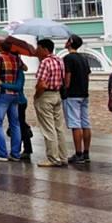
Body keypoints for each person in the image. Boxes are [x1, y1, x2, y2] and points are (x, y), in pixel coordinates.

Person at [33, 39, 68, 168]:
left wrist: (36, 96)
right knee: (59, 127)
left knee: (48, 128)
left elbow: (42, 83)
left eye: (38, 48)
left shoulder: (45, 62)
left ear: (44, 49)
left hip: (46, 95)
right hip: (57, 94)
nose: (37, 50)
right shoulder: (59, 60)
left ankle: (53, 158)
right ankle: (63, 156)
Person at [0, 41, 23, 162]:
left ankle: (2, 153)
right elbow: (23, 68)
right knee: (15, 124)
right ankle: (15, 153)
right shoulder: (16, 59)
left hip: (2, 93)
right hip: (14, 94)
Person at [63, 35, 92, 164]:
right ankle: (86, 153)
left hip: (72, 94)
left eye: (67, 40)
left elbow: (67, 76)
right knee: (85, 123)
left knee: (75, 124)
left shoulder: (68, 58)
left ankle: (78, 153)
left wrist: (65, 88)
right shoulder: (84, 58)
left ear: (70, 43)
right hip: (84, 93)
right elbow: (88, 75)